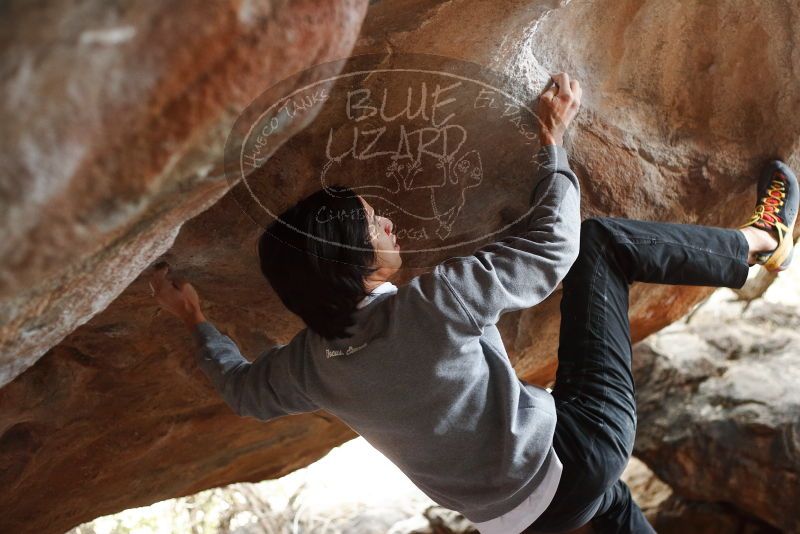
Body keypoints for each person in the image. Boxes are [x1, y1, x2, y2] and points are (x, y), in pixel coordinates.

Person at [151, 72, 798, 534]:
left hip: (520, 519)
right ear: (354, 260)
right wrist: (553, 145)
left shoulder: (311, 367)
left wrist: (195, 321)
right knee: (601, 245)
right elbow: (554, 249)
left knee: (604, 503)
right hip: (579, 451)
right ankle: (759, 242)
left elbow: (241, 391)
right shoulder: (432, 306)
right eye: (378, 225)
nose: (392, 228)